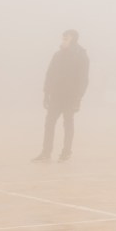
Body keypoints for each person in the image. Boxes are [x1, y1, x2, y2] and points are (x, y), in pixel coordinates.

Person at [31, 29, 89, 163]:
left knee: (68, 123)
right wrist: (46, 93)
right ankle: (46, 152)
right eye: (62, 38)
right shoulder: (58, 55)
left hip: (71, 96)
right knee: (49, 123)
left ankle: (66, 152)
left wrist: (78, 98)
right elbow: (49, 73)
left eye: (66, 39)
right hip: (56, 95)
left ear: (73, 39)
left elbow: (83, 79)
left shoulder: (81, 56)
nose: (63, 41)